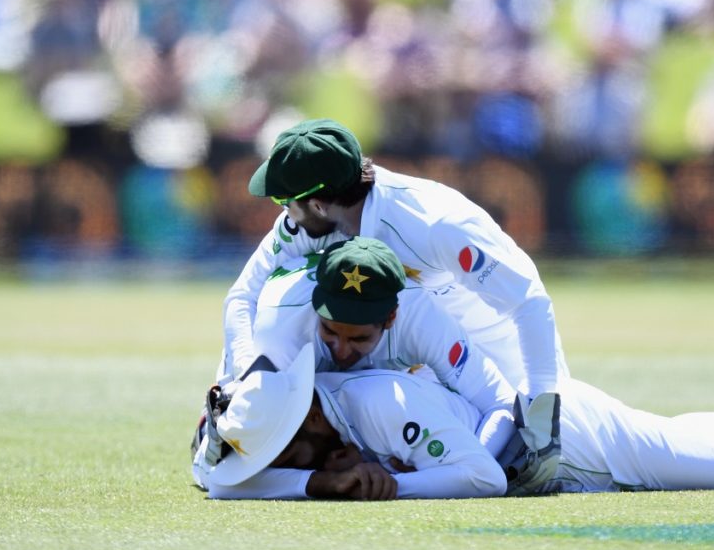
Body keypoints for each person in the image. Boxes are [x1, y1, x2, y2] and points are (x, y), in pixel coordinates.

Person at [227, 117, 570, 486]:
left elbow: (529, 299)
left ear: (320, 203)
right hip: (421, 363)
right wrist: (244, 379)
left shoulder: (434, 223)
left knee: (573, 468)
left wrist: (539, 410)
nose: (283, 213)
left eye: (285, 201)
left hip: (506, 364)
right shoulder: (306, 222)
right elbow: (243, 296)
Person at [202, 356, 714, 500]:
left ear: (307, 412)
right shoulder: (297, 413)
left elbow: (480, 479)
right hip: (542, 458)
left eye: (295, 447)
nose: (293, 457)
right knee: (695, 450)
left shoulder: (379, 404)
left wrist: (378, 487)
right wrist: (311, 479)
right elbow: (218, 478)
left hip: (560, 434)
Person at [193, 236, 518, 493]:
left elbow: (502, 403)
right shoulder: (279, 335)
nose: (341, 351)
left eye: (359, 339)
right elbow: (212, 476)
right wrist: (322, 484)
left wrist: (454, 466)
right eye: (330, 331)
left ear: (391, 319)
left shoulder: (422, 319)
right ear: (316, 306)